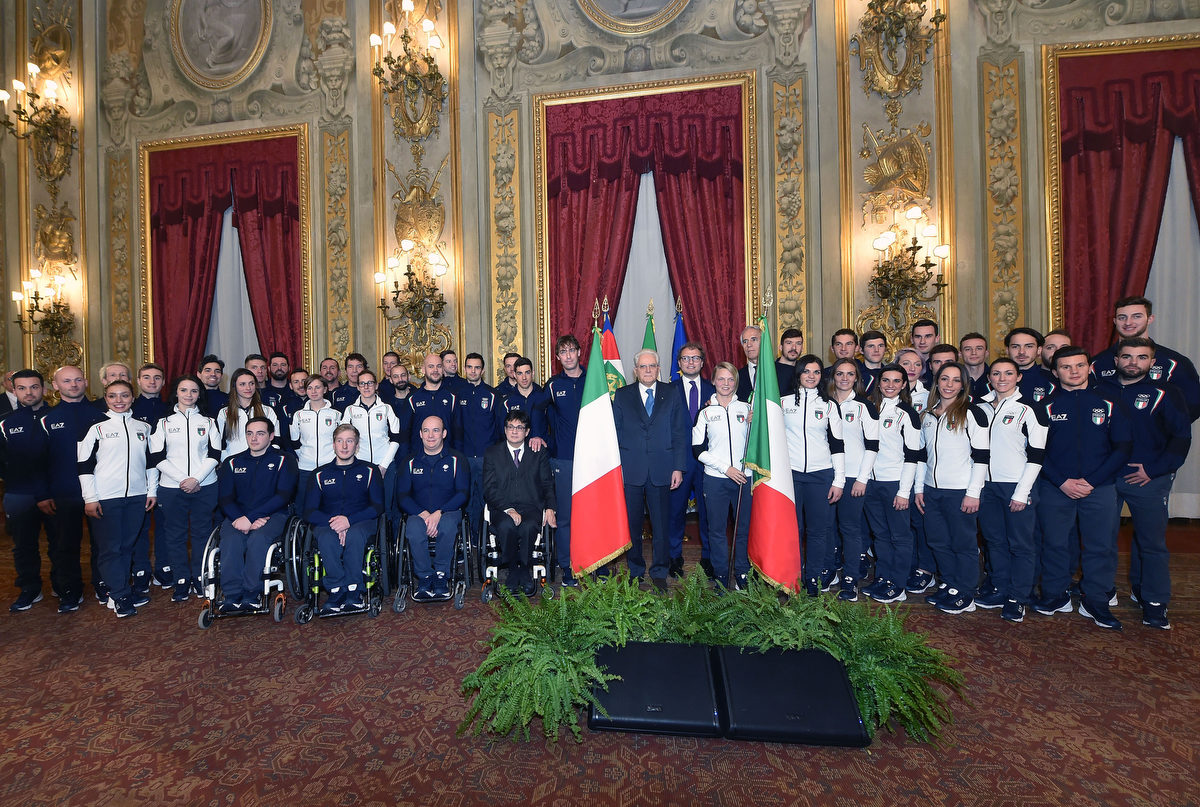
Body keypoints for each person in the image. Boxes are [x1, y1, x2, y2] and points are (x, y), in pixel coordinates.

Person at [1035, 347, 1131, 630]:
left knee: (1100, 545)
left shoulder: (1112, 401)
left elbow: (1123, 447)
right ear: (1055, 372)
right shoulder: (1045, 405)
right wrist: (1062, 481)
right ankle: (1055, 595)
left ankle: (1095, 600)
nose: (1073, 371)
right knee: (1054, 543)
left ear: (1089, 367)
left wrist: (1092, 481)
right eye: (1066, 367)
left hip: (1099, 487)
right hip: (1056, 486)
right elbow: (1036, 450)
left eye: (1079, 365)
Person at [1099, 337, 1191, 629]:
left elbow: (1181, 438)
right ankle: (1101, 594)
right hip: (1106, 478)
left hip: (1148, 479)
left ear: (1152, 363)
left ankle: (1153, 601)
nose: (1133, 363)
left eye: (1141, 358)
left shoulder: (1167, 392)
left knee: (1150, 543)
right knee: (1101, 540)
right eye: (1127, 357)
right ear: (1116, 361)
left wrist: (1153, 469)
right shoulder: (1099, 390)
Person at [976, 357, 1049, 624]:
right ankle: (1000, 588)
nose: (1002, 378)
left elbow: (1038, 454)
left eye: (1008, 373)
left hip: (1017, 485)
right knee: (994, 541)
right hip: (986, 485)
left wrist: (1022, 491)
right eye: (996, 373)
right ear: (989, 378)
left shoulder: (1030, 409)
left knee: (1021, 544)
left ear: (1018, 377)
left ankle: (1019, 596)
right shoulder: (979, 407)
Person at [78, 380, 159, 618]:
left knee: (127, 546)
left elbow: (150, 463)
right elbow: (84, 466)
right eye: (113, 396)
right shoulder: (95, 427)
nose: (119, 400)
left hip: (136, 496)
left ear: (132, 398)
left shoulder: (142, 427)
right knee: (110, 549)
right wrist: (90, 498)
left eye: (124, 396)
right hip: (106, 498)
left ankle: (119, 591)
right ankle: (120, 594)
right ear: (106, 398)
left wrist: (151, 491)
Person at [913, 362, 989, 615]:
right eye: (944, 379)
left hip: (960, 490)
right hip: (932, 490)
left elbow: (981, 457)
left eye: (955, 380)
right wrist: (919, 488)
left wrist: (973, 493)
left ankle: (965, 592)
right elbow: (923, 456)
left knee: (963, 543)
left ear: (963, 384)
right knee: (937, 540)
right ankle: (950, 584)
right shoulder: (928, 415)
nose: (949, 385)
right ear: (937, 382)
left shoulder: (971, 413)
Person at [612, 349, 689, 589]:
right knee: (632, 525)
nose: (647, 370)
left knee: (661, 525)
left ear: (659, 369)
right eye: (643, 367)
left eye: (652, 366)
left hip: (662, 469)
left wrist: (678, 467)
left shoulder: (671, 393)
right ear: (635, 371)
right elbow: (615, 433)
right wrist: (616, 469)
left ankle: (659, 572)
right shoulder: (622, 395)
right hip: (631, 470)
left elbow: (679, 432)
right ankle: (635, 570)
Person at [38, 366, 106, 612]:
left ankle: (103, 584)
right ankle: (69, 591)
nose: (73, 385)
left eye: (78, 380)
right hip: (63, 492)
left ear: (86, 382)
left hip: (99, 491)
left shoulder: (102, 414)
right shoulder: (47, 419)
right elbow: (39, 461)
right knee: (65, 544)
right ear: (56, 386)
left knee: (102, 542)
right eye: (67, 381)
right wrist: (43, 493)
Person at [215, 417, 298, 613]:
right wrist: (240, 518)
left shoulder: (285, 460)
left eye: (260, 433)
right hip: (238, 516)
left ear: (270, 436)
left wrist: (252, 517)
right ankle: (232, 594)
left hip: (274, 515)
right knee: (230, 540)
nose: (254, 438)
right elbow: (225, 498)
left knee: (258, 539)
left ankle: (252, 593)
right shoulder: (232, 462)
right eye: (249, 433)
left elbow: (283, 495)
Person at [150, 375, 221, 602]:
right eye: (184, 390)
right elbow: (157, 457)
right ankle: (181, 580)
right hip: (172, 488)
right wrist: (183, 479)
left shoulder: (209, 422)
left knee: (202, 534)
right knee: (175, 535)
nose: (189, 395)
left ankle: (200, 578)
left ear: (199, 394)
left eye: (193, 391)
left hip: (205, 486)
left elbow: (215, 454)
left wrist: (196, 479)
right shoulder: (163, 423)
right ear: (176, 393)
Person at [304, 424, 384, 614]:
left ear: (357, 445)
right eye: (340, 441)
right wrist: (336, 523)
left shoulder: (370, 471)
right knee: (326, 537)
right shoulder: (319, 474)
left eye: (349, 441)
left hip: (362, 521)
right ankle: (337, 589)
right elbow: (309, 511)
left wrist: (349, 521)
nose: (344, 446)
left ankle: (354, 590)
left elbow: (378, 506)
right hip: (328, 523)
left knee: (355, 535)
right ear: (333, 445)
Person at [782, 355, 845, 595]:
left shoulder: (829, 405)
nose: (811, 376)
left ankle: (814, 581)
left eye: (816, 372)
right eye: (806, 371)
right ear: (798, 374)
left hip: (821, 475)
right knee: (793, 530)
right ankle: (792, 579)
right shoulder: (783, 402)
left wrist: (838, 480)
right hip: (792, 476)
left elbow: (837, 444)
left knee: (819, 531)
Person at [862, 365, 923, 604]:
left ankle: (898, 584)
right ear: (878, 382)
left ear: (904, 385)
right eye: (886, 380)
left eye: (896, 381)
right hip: (871, 483)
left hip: (895, 483)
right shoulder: (870, 409)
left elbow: (913, 455)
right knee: (880, 535)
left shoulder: (907, 413)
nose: (890, 385)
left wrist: (904, 491)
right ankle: (883, 578)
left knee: (900, 536)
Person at [393, 415, 469, 601]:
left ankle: (442, 575)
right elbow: (402, 495)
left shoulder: (457, 459)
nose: (431, 435)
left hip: (449, 511)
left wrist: (439, 513)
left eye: (436, 430)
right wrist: (424, 514)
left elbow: (462, 493)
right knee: (413, 529)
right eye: (426, 430)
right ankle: (425, 576)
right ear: (420, 434)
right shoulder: (409, 461)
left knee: (448, 526)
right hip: (418, 513)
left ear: (444, 433)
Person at [691, 362, 751, 589]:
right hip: (715, 479)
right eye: (721, 379)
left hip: (744, 479)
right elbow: (697, 449)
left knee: (742, 529)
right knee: (715, 530)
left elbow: (757, 444)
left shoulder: (747, 410)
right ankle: (721, 576)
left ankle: (743, 573)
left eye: (730, 379)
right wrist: (726, 468)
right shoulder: (705, 412)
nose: (726, 384)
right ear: (714, 381)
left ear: (736, 382)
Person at [484, 409, 556, 596]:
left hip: (530, 506)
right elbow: (489, 489)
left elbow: (547, 483)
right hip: (502, 507)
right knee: (507, 527)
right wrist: (508, 509)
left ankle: (523, 569)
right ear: (505, 429)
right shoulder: (492, 453)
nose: (514, 431)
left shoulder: (537, 453)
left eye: (519, 427)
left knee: (528, 526)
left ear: (527, 431)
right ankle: (513, 569)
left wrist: (550, 507)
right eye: (510, 427)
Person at [1092, 295, 1200, 420]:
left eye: (1136, 316)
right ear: (1115, 321)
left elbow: (1193, 404)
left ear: (1150, 319)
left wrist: (1158, 433)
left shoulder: (1175, 363)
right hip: (1107, 439)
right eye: (1122, 317)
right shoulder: (1096, 363)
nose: (1128, 322)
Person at [827, 358, 879, 602]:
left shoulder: (864, 407)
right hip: (825, 474)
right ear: (833, 376)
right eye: (840, 373)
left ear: (857, 378)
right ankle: (828, 570)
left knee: (850, 528)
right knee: (826, 528)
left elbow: (872, 446)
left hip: (853, 477)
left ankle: (850, 578)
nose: (844, 378)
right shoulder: (823, 404)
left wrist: (862, 479)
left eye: (850, 374)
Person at [0, 370, 51, 612]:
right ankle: (30, 589)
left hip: (55, 493)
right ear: (14, 390)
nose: (28, 392)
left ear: (44, 389)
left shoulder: (56, 417)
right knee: (23, 545)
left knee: (60, 543)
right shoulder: (5, 422)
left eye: (33, 387)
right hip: (19, 494)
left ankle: (64, 587)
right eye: (22, 388)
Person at [669, 341, 715, 578]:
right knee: (675, 512)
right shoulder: (667, 390)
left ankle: (709, 558)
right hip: (679, 461)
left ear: (702, 362)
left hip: (708, 462)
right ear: (679, 363)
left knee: (708, 513)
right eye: (686, 358)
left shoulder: (715, 390)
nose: (690, 362)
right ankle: (674, 557)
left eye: (695, 358)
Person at [544, 338, 586, 585]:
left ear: (579, 353)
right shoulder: (552, 385)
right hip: (563, 461)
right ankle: (567, 567)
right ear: (557, 357)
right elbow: (536, 411)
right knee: (566, 518)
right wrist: (541, 436)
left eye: (572, 350)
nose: (568, 356)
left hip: (592, 461)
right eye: (563, 352)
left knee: (591, 514)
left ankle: (595, 564)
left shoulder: (593, 381)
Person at [458, 353, 502, 554]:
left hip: (487, 458)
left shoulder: (493, 395)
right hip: (465, 458)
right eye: (469, 367)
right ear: (465, 369)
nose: (473, 371)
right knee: (467, 502)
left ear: (483, 370)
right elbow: (455, 427)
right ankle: (469, 543)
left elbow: (500, 428)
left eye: (477, 367)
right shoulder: (457, 394)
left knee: (487, 501)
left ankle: (488, 541)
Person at [132, 363, 169, 594]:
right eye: (147, 377)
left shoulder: (171, 409)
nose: (152, 381)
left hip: (166, 475)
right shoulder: (130, 407)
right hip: (137, 475)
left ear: (163, 382)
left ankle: (164, 569)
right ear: (138, 380)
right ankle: (141, 571)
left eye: (157, 377)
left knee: (166, 526)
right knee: (140, 527)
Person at [341, 370, 400, 475]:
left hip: (386, 464)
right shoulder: (350, 410)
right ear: (358, 387)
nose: (366, 387)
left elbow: (396, 438)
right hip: (359, 464)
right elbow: (344, 438)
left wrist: (384, 465)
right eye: (362, 383)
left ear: (376, 385)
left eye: (370, 383)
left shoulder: (386, 408)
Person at [290, 375, 342, 488]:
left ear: (325, 389)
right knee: (305, 503)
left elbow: (341, 440)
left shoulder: (336, 414)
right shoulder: (298, 415)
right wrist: (305, 456)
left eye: (317, 387)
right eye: (309, 388)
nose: (313, 391)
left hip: (331, 465)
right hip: (305, 468)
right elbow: (294, 441)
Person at [216, 368, 279, 458]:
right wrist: (228, 461)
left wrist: (268, 459)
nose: (248, 388)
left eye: (251, 383)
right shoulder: (224, 412)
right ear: (234, 386)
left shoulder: (267, 411)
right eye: (242, 384)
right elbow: (219, 443)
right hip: (234, 463)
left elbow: (275, 440)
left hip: (263, 462)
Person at [407, 353, 459, 448]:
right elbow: (405, 433)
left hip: (446, 456)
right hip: (419, 457)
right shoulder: (412, 398)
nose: (435, 370)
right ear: (423, 369)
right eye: (431, 366)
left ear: (443, 369)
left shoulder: (453, 397)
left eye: (438, 366)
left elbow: (458, 432)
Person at [500, 357, 550, 446]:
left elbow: (554, 426)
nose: (524, 377)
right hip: (515, 454)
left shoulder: (544, 397)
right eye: (520, 373)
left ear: (533, 373)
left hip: (540, 453)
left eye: (527, 372)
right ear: (514, 375)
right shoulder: (506, 402)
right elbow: (502, 432)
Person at [1004, 327, 1056, 404]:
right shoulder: (993, 381)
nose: (1021, 352)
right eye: (1015, 346)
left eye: (1029, 346)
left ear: (1039, 350)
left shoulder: (1052, 380)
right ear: (1007, 350)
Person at [895, 347, 929, 414]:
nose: (912, 369)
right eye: (906, 363)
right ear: (896, 366)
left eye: (917, 364)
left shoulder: (928, 397)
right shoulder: (887, 392)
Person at [960, 332, 991, 401]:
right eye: (968, 349)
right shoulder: (953, 380)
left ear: (986, 353)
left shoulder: (996, 378)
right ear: (960, 354)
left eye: (979, 348)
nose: (973, 353)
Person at [736, 325, 762, 403]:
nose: (749, 345)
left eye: (753, 339)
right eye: (745, 341)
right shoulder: (736, 376)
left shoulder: (778, 372)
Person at [776, 327, 804, 395]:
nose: (794, 347)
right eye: (789, 343)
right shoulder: (770, 370)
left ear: (802, 348)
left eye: (798, 343)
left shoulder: (805, 370)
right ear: (781, 347)